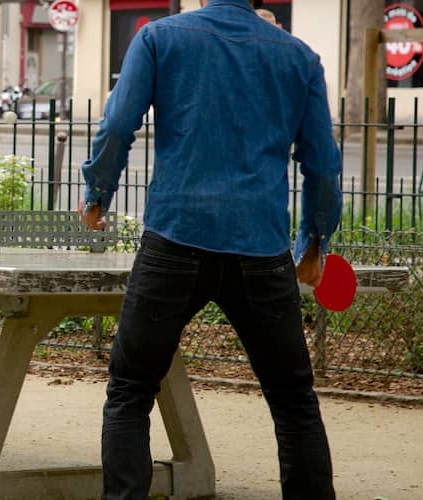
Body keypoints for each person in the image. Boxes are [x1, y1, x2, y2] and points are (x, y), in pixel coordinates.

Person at [77, 0, 341, 498]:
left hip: (176, 236)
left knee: (131, 392)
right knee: (293, 401)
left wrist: (97, 193)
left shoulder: (160, 38)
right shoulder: (299, 57)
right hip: (260, 247)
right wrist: (314, 241)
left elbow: (116, 125)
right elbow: (323, 162)